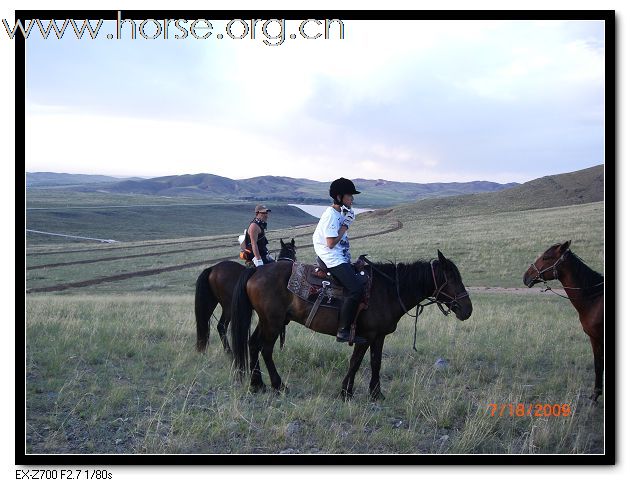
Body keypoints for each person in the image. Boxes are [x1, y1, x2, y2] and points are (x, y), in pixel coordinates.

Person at [312, 178, 367, 344]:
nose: (352, 199)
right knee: (356, 289)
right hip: (332, 258)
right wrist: (345, 226)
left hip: (340, 257)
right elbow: (330, 243)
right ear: (339, 197)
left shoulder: (338, 214)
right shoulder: (331, 215)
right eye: (349, 196)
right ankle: (342, 330)